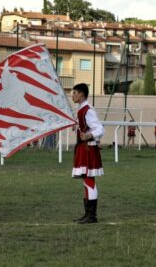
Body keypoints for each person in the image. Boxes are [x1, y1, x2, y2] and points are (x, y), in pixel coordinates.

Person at [71, 83, 104, 224]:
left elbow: (99, 129)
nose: (73, 95)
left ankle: (92, 216)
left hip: (88, 149)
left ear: (82, 94)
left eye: (75, 93)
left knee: (89, 181)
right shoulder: (80, 109)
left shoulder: (87, 110)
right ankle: (87, 214)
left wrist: (89, 135)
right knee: (86, 181)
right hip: (83, 148)